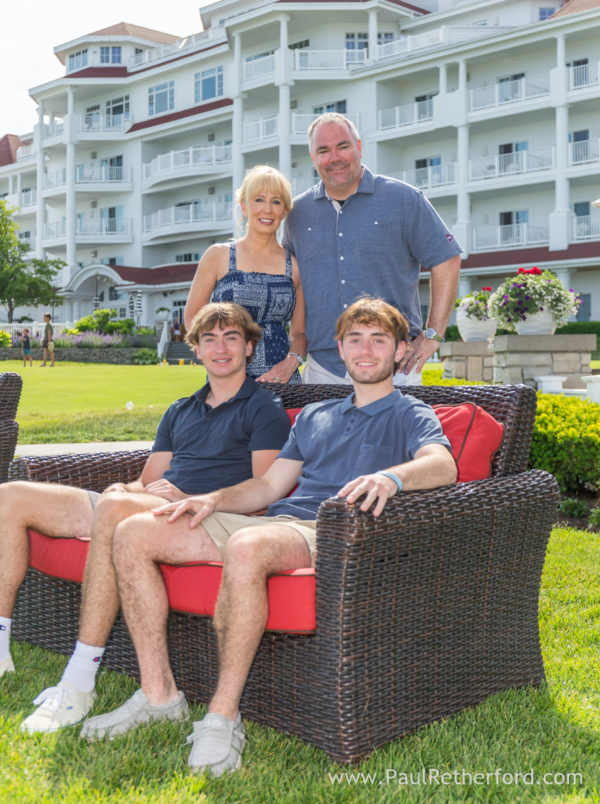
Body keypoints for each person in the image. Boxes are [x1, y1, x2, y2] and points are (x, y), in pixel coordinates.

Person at [79, 297, 457, 777]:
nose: (366, 350)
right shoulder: (317, 415)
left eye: (378, 340)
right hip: (272, 522)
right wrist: (214, 499)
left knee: (247, 545)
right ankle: (160, 695)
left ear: (400, 350)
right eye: (355, 339)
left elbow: (443, 465)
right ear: (340, 349)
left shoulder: (410, 413)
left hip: (332, 532)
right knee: (135, 532)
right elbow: (268, 486)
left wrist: (392, 478)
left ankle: (222, 716)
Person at [0, 302, 290, 733]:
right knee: (11, 495)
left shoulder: (263, 410)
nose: (221, 348)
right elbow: (148, 480)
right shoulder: (180, 409)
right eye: (209, 339)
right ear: (196, 349)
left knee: (116, 509)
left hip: (199, 514)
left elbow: (262, 494)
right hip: (149, 503)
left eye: (232, 338)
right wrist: (125, 489)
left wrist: (187, 496)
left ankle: (79, 680)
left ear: (249, 347)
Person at [281, 113, 462, 385]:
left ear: (359, 147)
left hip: (395, 367)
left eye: (343, 146)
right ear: (312, 157)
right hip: (324, 371)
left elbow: (446, 259)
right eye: (323, 151)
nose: (335, 158)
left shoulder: (404, 199)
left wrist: (433, 335)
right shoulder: (297, 213)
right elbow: (290, 282)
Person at [184, 165, 306, 384]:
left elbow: (299, 333)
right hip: (229, 381)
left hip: (283, 383)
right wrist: (219, 357)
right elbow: (193, 318)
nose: (267, 209)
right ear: (244, 207)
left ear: (284, 211)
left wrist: (290, 364)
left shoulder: (294, 266)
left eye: (276, 202)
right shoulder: (218, 256)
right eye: (259, 200)